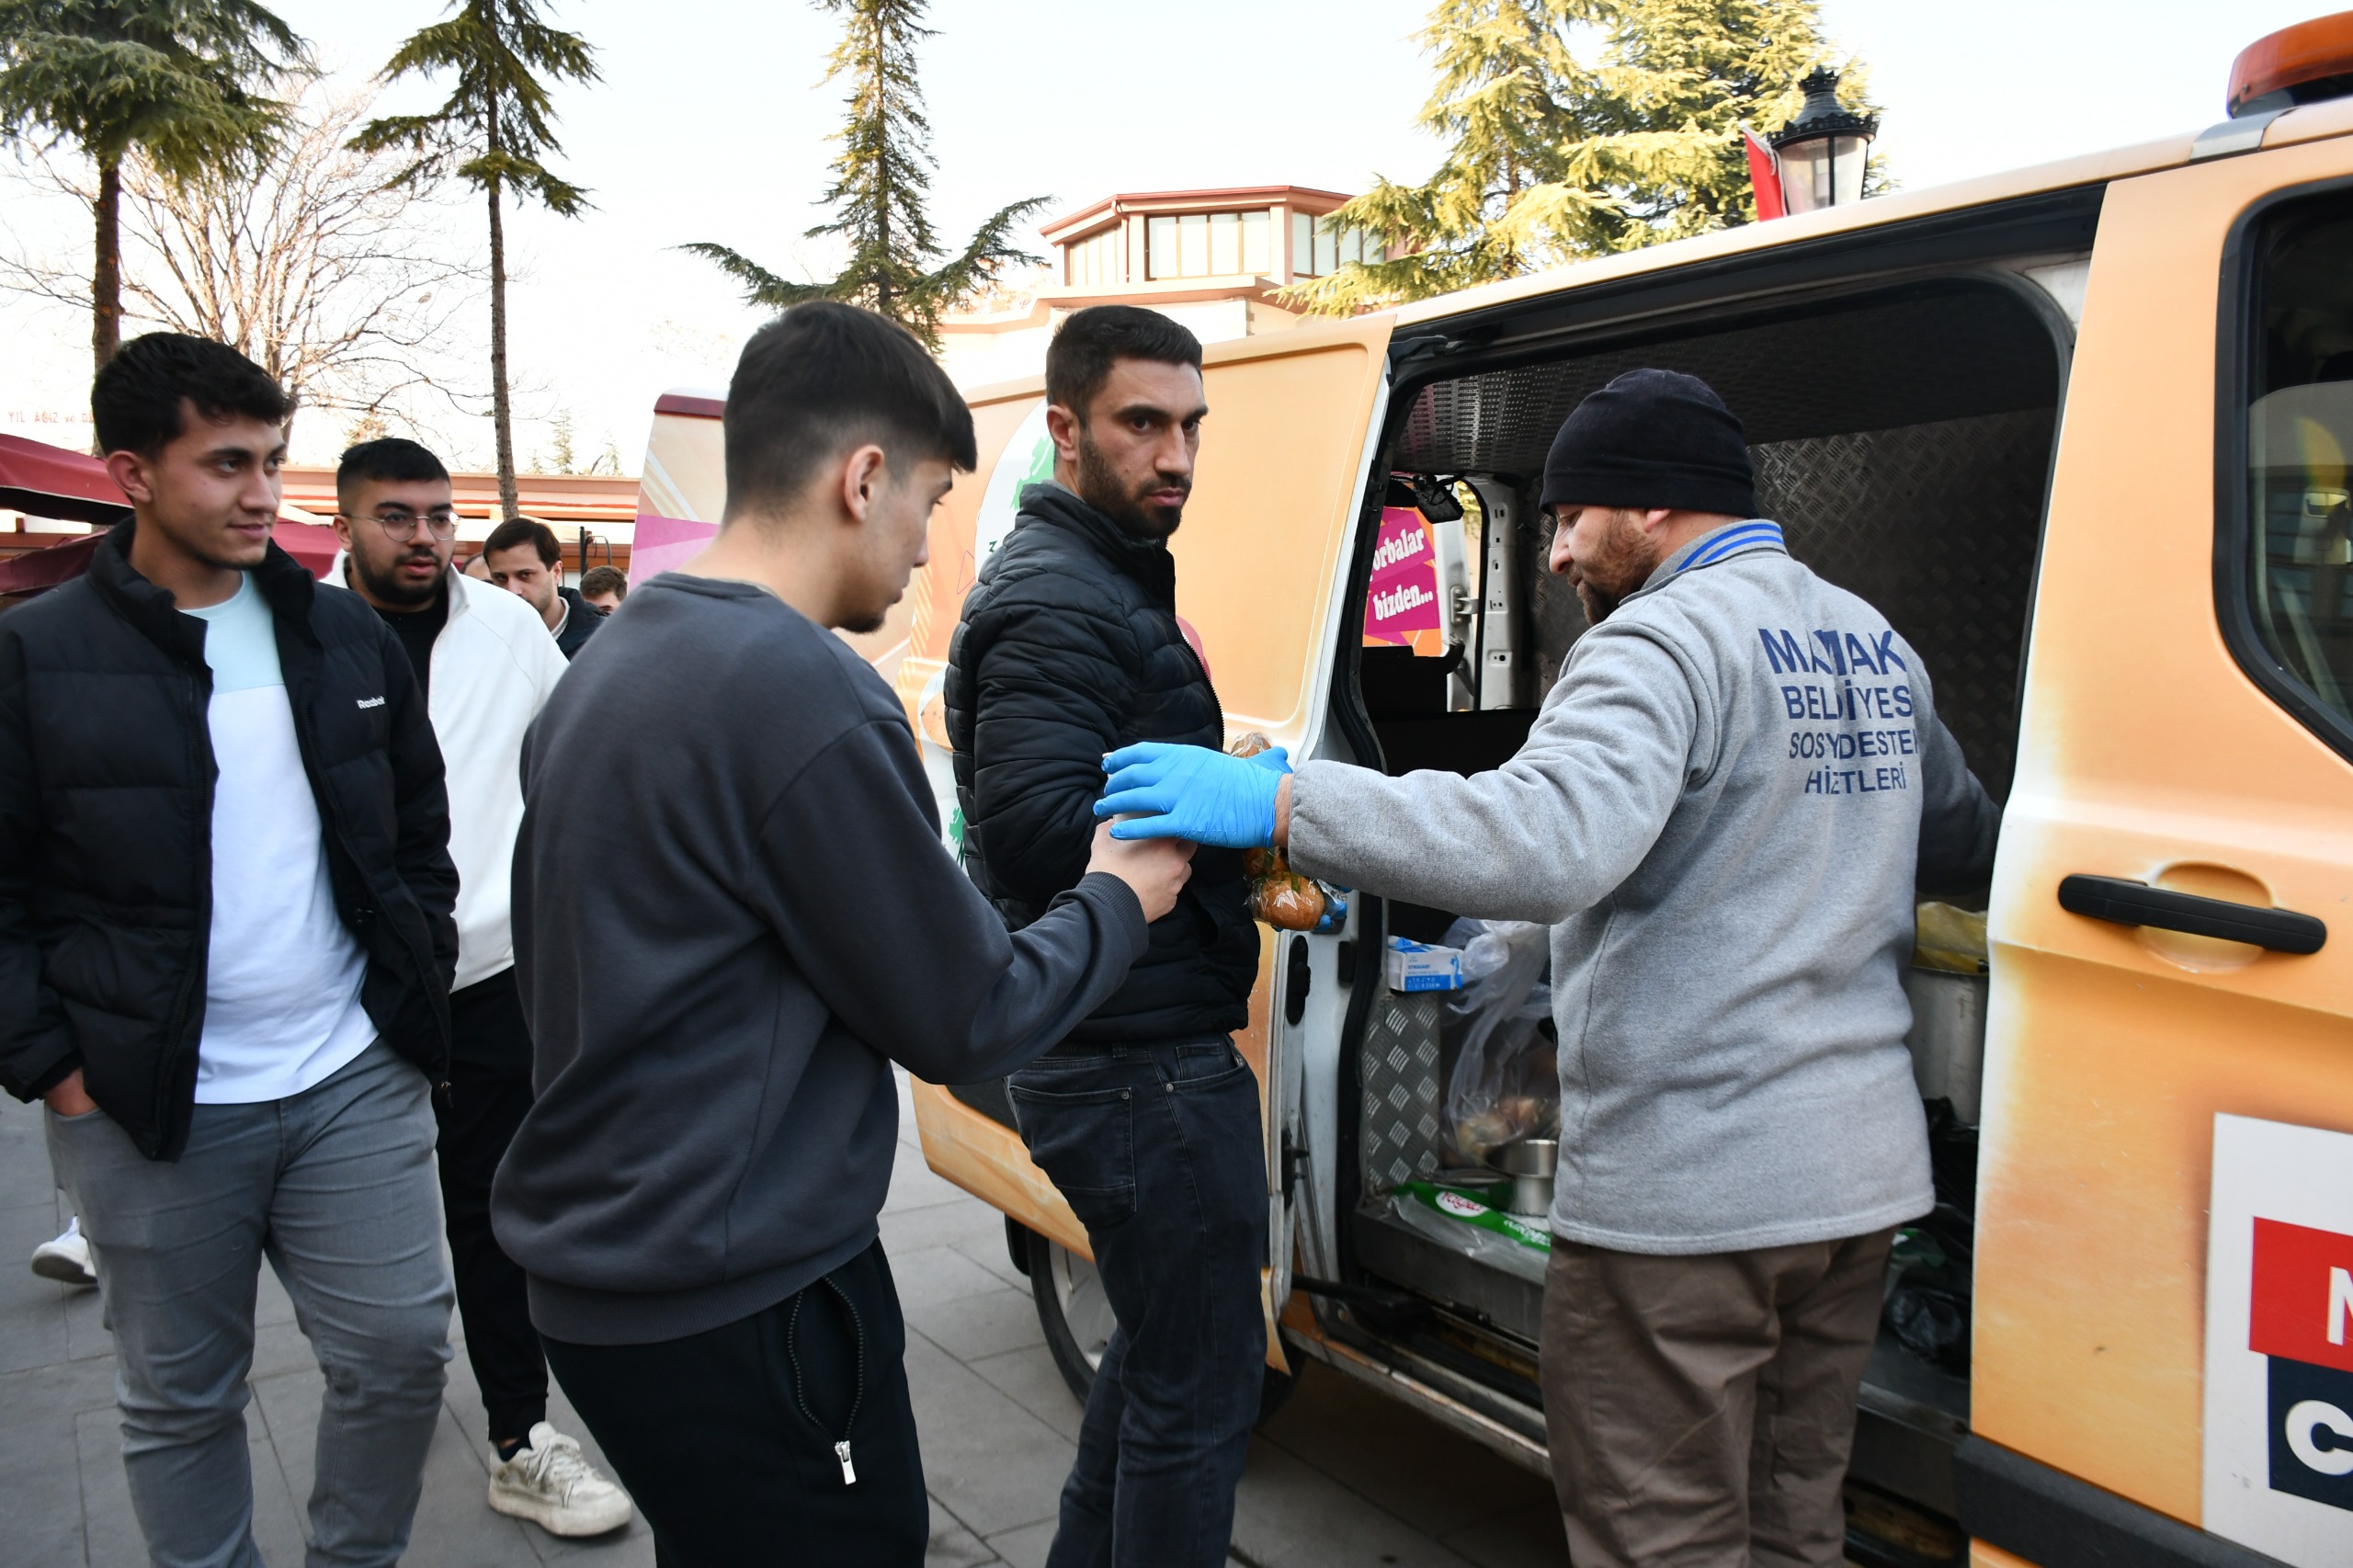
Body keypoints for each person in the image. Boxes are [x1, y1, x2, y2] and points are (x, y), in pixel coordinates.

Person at [1094, 369, 2003, 1568]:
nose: (1561, 551)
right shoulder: (1870, 639)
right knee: (1794, 1515)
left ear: (1658, 507)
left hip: (1695, 1204)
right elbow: (1958, 839)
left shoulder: (1657, 642)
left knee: (1661, 1532)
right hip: (1858, 1190)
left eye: (1573, 516)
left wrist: (1285, 799)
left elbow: (1538, 839)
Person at [488, 301, 1194, 1567]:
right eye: (927, 503)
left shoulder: (611, 659)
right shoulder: (796, 688)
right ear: (861, 478)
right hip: (745, 1294)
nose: (929, 548)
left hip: (611, 1284)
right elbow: (964, 1012)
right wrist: (1119, 894)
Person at [0, 333, 461, 1566]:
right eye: (226, 464)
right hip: (151, 1100)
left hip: (350, 1076)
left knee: (403, 1352)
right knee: (181, 1398)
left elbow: (419, 827)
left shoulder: (339, 634)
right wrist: (56, 1064)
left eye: (272, 460)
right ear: (132, 473)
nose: (263, 492)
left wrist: (410, 974)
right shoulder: (37, 656)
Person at [942, 304, 1264, 1568]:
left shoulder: (1101, 578)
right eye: (1143, 423)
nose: (1175, 453)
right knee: (1201, 1391)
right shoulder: (1061, 597)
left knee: (1155, 1354)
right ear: (1066, 432)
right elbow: (1032, 828)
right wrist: (1236, 822)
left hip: (1131, 1045)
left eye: (1190, 425)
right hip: (1137, 1064)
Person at [330, 436, 631, 1537]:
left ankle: (518, 1434)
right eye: (395, 517)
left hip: (494, 973)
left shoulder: (507, 630)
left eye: (438, 516)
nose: (424, 537)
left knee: (498, 1211)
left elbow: (584, 750)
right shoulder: (297, 633)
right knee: (368, 1248)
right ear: (344, 526)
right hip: (345, 988)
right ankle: (372, 1414)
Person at [483, 517, 600, 658]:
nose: (513, 590)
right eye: (501, 578)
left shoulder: (604, 641)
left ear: (556, 572)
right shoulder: (481, 643)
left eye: (525, 575)